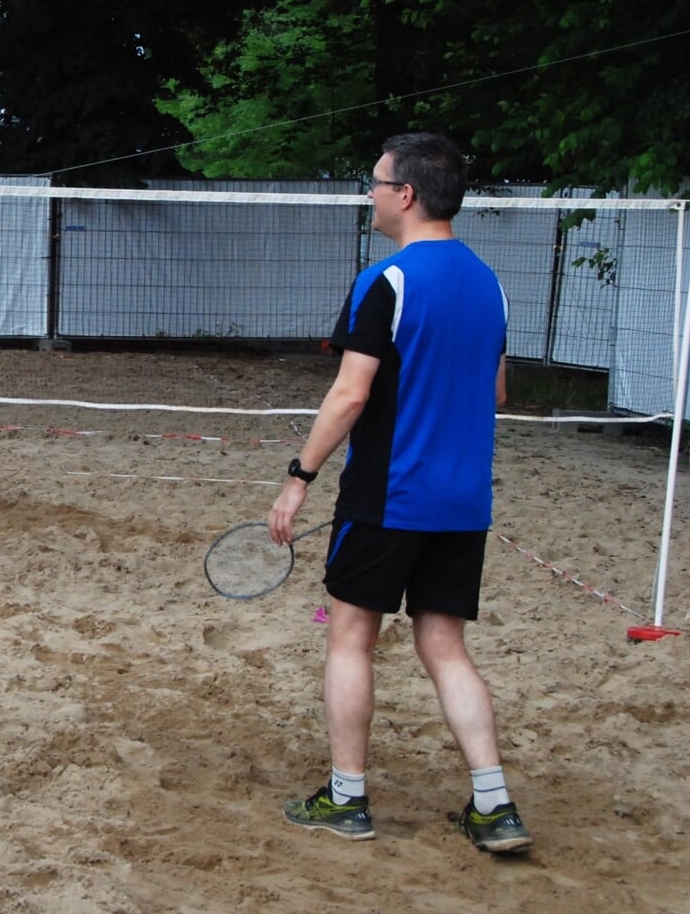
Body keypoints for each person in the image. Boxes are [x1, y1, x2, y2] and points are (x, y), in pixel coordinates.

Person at [269, 132, 533, 854]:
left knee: (351, 637)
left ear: (407, 194)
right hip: (464, 503)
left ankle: (347, 798)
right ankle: (494, 804)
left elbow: (350, 393)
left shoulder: (386, 280)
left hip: (390, 495)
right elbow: (497, 390)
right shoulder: (492, 283)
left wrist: (299, 478)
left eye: (377, 182)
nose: (372, 193)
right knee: (445, 645)